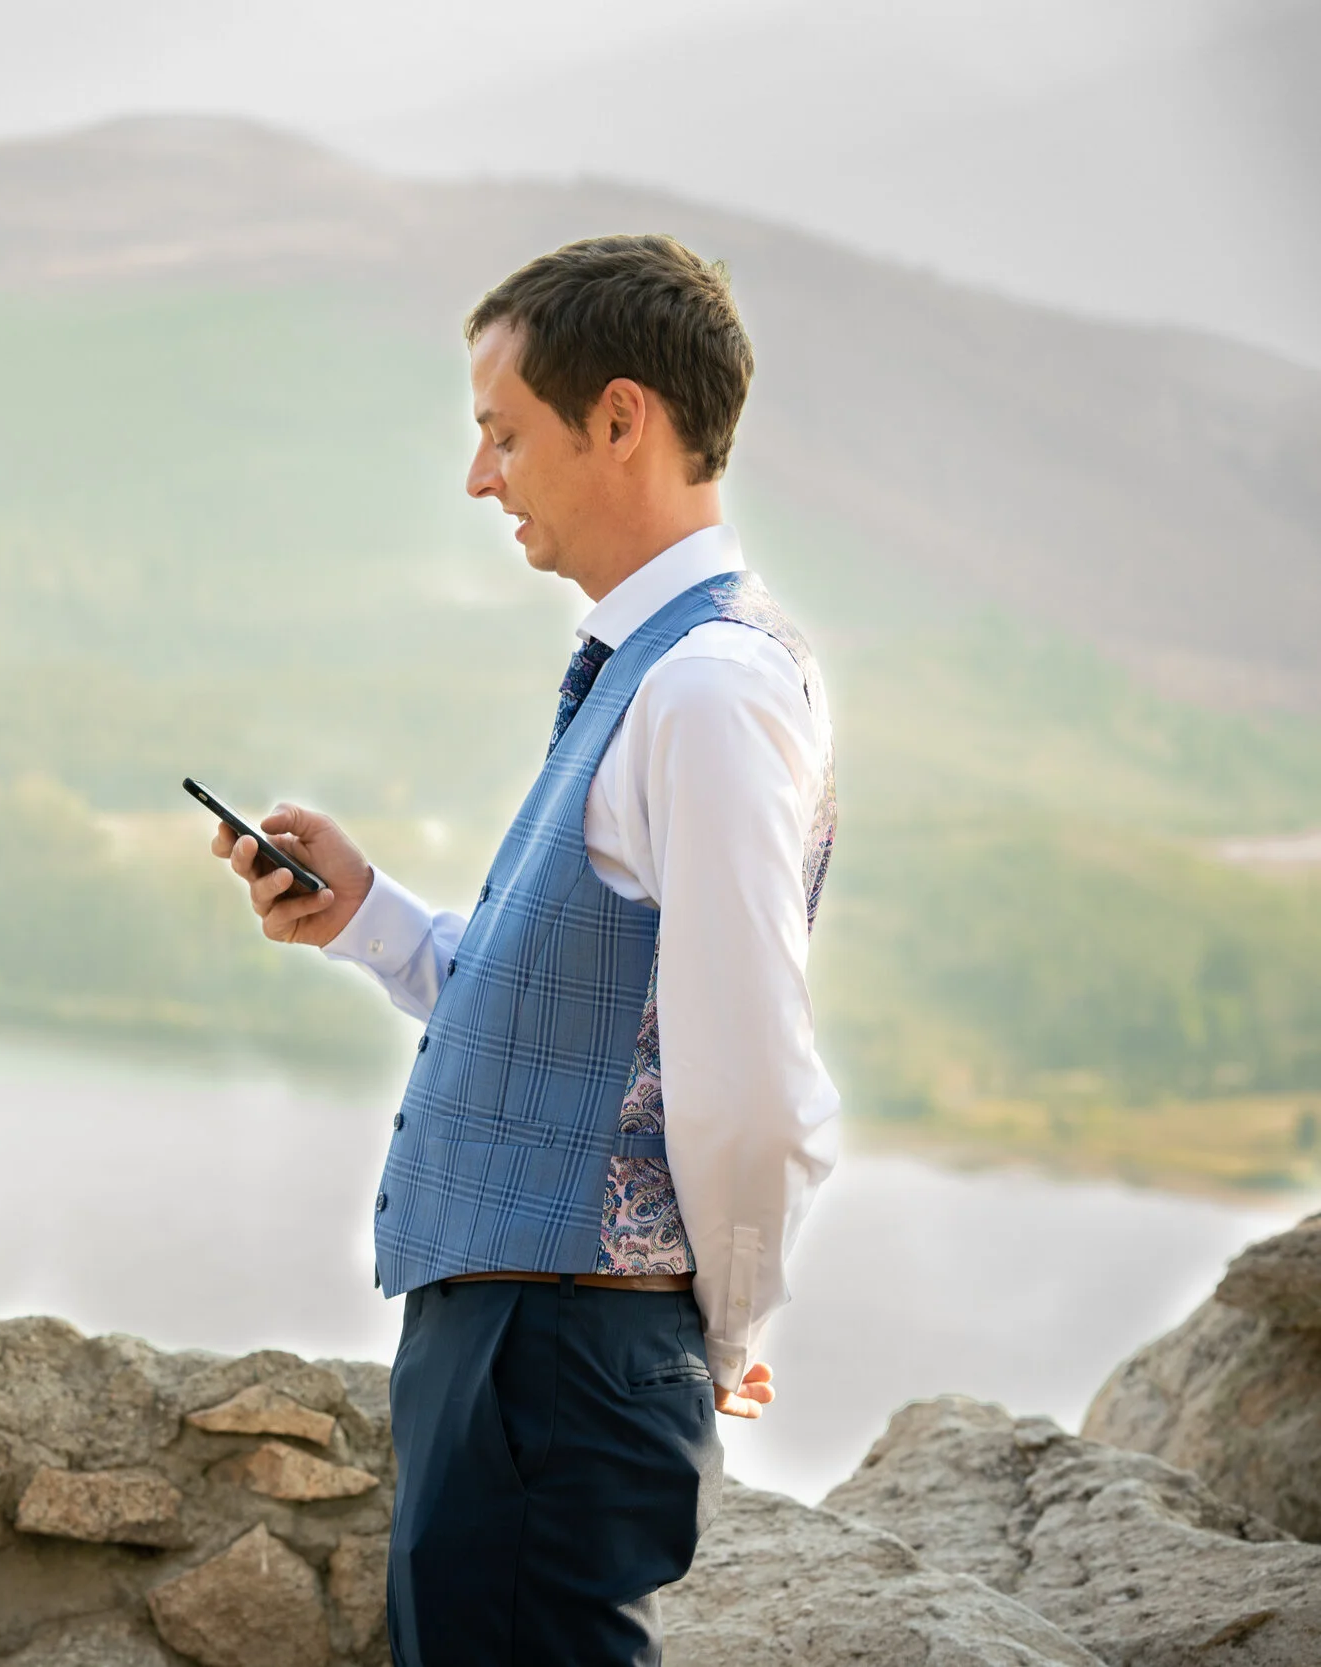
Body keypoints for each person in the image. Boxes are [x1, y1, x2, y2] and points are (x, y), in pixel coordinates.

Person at [210, 236, 840, 1665]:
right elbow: (589, 1010)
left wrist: (721, 1325)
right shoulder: (660, 673)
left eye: (503, 434)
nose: (479, 477)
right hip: (540, 1344)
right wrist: (370, 917)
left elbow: (752, 1074)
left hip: (567, 1352)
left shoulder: (710, 689)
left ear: (620, 420)